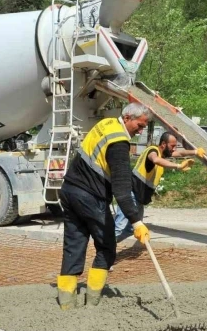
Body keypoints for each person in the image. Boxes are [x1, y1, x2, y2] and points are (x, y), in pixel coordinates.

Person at [56, 103, 152, 310]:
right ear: (127, 117)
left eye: (144, 126)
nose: (141, 130)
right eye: (139, 124)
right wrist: (136, 222)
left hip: (69, 190)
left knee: (74, 245)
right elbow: (122, 189)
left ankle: (66, 301)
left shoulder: (106, 124)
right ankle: (92, 301)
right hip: (90, 197)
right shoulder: (119, 143)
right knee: (107, 247)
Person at [114, 131, 206, 241]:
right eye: (172, 146)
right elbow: (156, 160)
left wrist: (195, 151)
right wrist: (178, 166)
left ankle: (108, 249)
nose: (174, 149)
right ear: (163, 144)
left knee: (131, 229)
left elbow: (181, 153)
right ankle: (104, 251)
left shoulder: (162, 154)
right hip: (131, 195)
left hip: (139, 198)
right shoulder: (152, 151)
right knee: (119, 228)